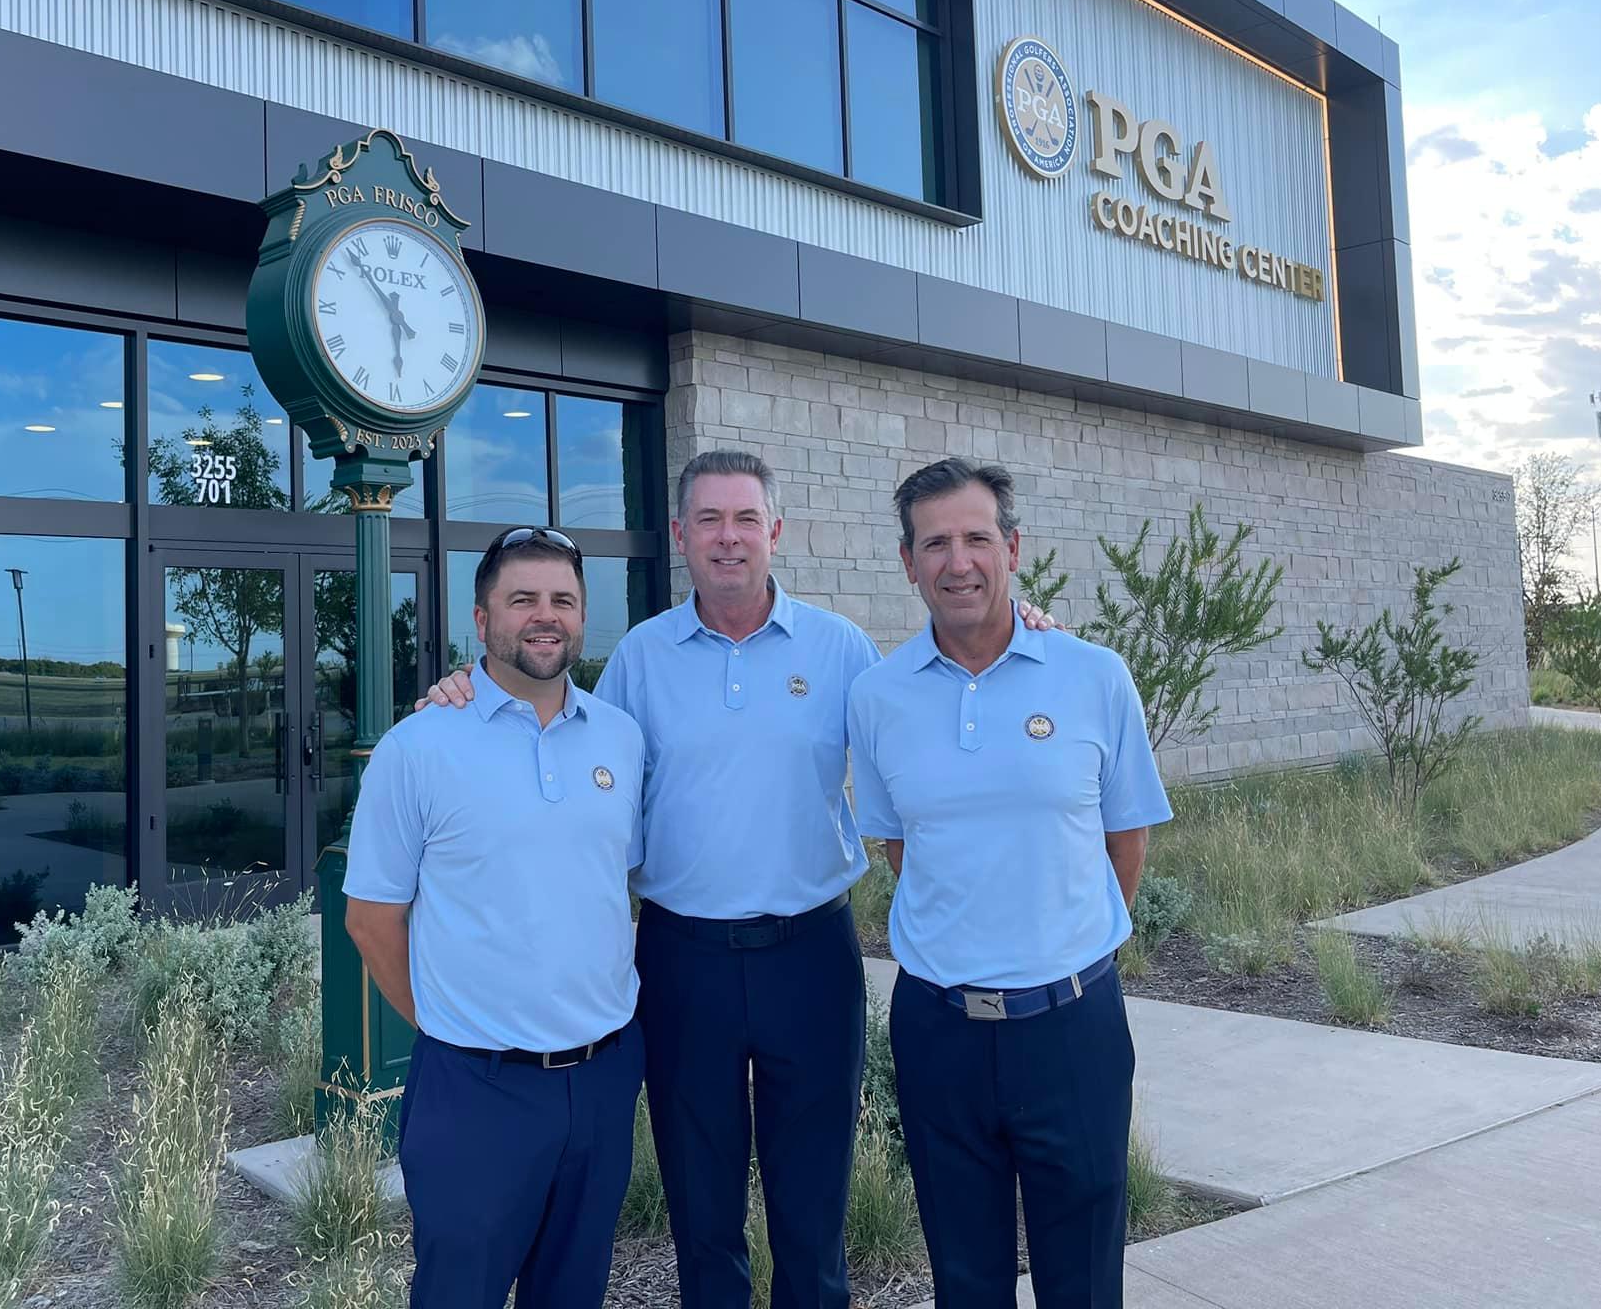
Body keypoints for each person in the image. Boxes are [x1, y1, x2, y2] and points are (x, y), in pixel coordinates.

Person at [419, 450, 1055, 1309]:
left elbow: (935, 702)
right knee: (702, 1206)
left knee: (813, 1203)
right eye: (709, 520)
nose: (729, 538)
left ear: (775, 531)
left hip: (812, 956)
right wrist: (467, 690)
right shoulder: (641, 658)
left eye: (746, 519)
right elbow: (561, 733)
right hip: (683, 961)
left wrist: (1026, 625)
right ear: (680, 535)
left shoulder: (840, 650)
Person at [846, 458, 1169, 1309]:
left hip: (1072, 1026)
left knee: (1084, 1280)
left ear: (1013, 549)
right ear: (908, 562)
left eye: (977, 538)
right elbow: (903, 846)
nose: (958, 562)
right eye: (935, 544)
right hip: (938, 1029)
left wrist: (1065, 940)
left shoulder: (1094, 675)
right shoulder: (877, 697)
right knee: (964, 1277)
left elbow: (1125, 838)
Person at [343, 526, 647, 1309]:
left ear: (582, 617)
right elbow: (370, 920)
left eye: (563, 600)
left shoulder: (621, 740)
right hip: (475, 1091)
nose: (546, 616)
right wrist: (449, 1027)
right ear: (482, 620)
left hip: (604, 1078)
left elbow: (620, 882)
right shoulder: (418, 747)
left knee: (573, 1292)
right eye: (523, 600)